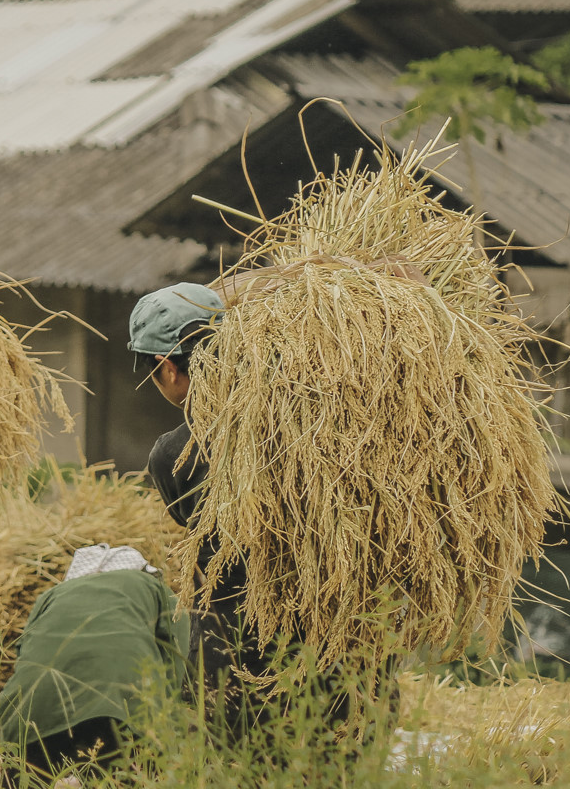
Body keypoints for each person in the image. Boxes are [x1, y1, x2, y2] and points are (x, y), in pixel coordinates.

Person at [130, 278, 398, 749]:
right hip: (345, 671)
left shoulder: (173, 457)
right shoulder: (335, 425)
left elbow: (188, 517)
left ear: (167, 368)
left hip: (235, 676)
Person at [0, 544, 189, 789]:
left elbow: (24, 653)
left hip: (33, 707)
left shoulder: (52, 595)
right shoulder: (156, 590)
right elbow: (178, 658)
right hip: (116, 704)